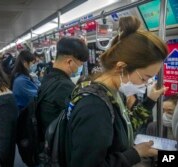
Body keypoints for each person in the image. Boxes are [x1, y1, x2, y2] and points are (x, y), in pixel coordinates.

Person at [65, 16, 168, 167]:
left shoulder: (111, 93)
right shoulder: (94, 107)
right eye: (145, 78)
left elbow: (124, 127)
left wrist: (150, 100)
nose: (146, 85)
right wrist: (135, 153)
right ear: (121, 67)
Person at [37, 37, 89, 137]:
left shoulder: (47, 77)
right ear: (69, 62)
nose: (80, 68)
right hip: (58, 144)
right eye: (80, 64)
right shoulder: (64, 87)